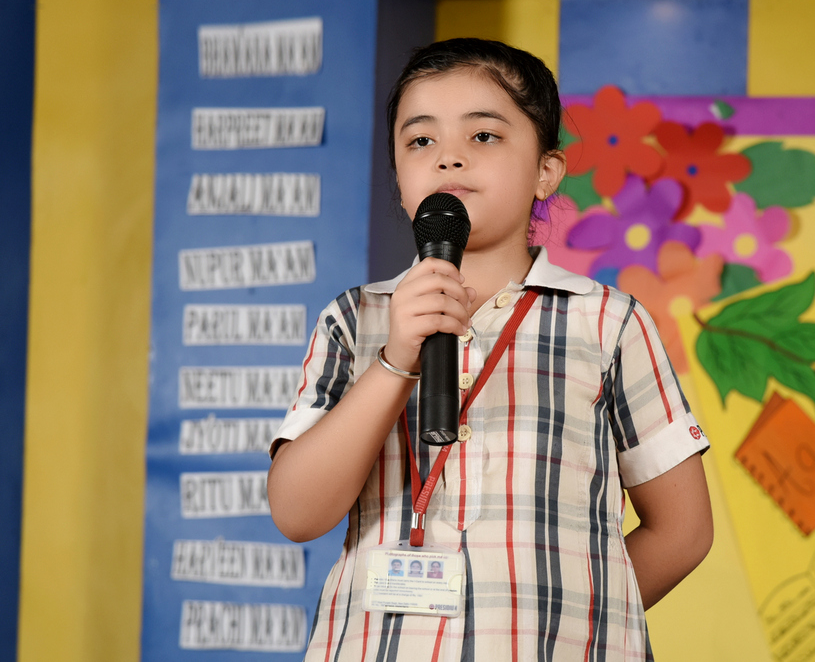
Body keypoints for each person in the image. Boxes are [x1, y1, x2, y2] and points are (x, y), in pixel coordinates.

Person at [267, 37, 713, 662]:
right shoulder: (355, 318)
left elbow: (683, 531)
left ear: (545, 171)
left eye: (483, 136)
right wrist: (397, 358)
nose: (448, 158)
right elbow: (296, 513)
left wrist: (572, 616)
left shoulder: (608, 322)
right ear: (398, 178)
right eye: (420, 141)